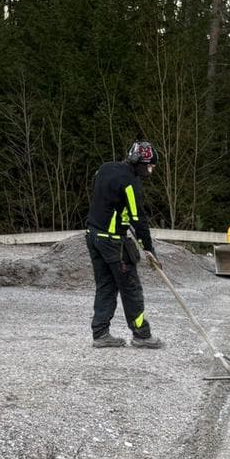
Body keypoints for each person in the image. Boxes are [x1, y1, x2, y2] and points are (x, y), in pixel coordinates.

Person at [85, 140, 163, 349]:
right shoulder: (131, 183)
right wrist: (149, 249)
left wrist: (120, 215)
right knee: (131, 287)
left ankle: (100, 333)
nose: (151, 171)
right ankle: (142, 335)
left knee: (106, 285)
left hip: (92, 235)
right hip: (113, 241)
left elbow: (107, 198)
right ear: (141, 163)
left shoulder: (105, 168)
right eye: (150, 166)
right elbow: (139, 220)